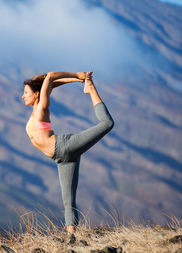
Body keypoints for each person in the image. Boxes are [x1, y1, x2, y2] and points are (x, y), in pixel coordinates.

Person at [22, 71, 114, 234]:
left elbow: (50, 76)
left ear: (36, 94)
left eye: (26, 92)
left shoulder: (41, 108)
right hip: (62, 159)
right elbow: (49, 84)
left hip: (64, 146)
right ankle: (71, 238)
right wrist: (76, 79)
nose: (23, 96)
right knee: (68, 202)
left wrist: (78, 75)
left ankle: (91, 89)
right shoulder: (36, 108)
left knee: (107, 123)